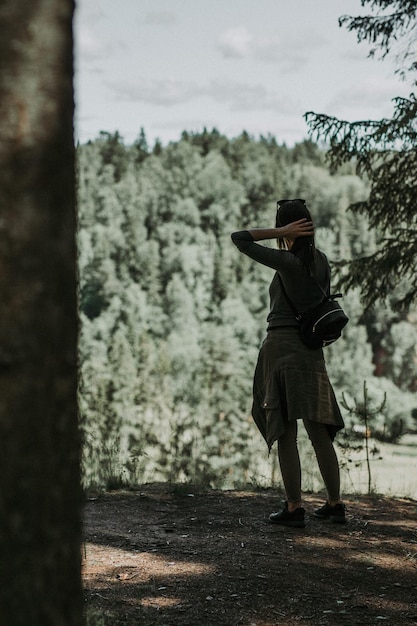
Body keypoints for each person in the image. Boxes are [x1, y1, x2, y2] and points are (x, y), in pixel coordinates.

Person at [231, 198, 346, 528]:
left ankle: (294, 507)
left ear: (291, 227)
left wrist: (279, 231)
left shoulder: (287, 262)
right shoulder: (321, 261)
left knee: (286, 432)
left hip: (282, 349)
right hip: (312, 352)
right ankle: (335, 504)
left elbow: (240, 238)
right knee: (318, 431)